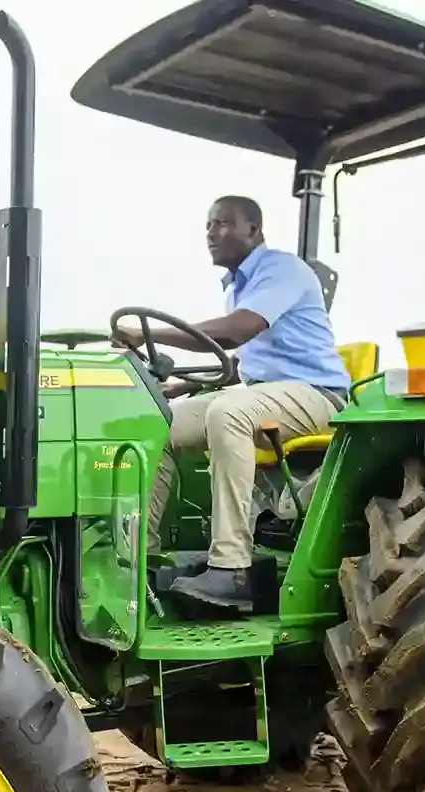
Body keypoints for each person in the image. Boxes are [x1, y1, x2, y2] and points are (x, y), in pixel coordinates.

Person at [111, 195, 349, 610]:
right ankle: (135, 558)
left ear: (253, 230)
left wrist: (146, 335)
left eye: (221, 224)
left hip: (318, 396)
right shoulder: (240, 286)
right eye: (207, 225)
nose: (211, 234)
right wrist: (179, 390)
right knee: (158, 424)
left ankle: (231, 569)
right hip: (269, 394)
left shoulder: (283, 270)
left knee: (229, 413)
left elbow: (237, 332)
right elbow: (240, 364)